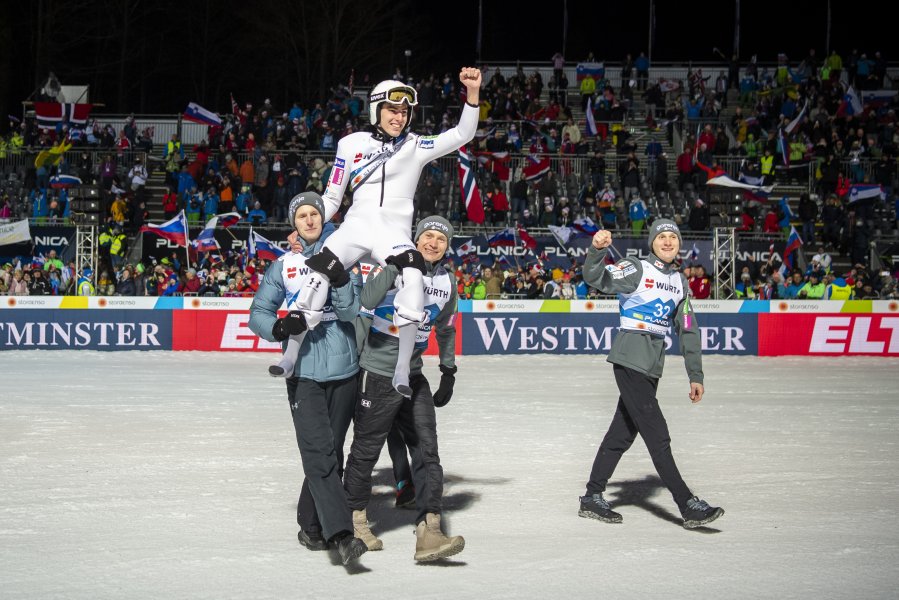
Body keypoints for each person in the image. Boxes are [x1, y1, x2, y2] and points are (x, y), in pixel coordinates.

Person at [275, 67, 482, 397]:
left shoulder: (417, 145)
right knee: (319, 272)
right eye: (392, 110)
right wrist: (305, 225)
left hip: (393, 232)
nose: (399, 118)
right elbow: (331, 197)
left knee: (413, 276)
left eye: (404, 112)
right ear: (376, 110)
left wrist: (472, 94)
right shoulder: (349, 145)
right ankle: (291, 354)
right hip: (355, 226)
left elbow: (462, 134)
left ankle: (402, 367)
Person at [579, 219, 724, 529]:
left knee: (622, 434)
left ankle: (592, 496)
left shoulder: (680, 282)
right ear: (652, 242)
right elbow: (596, 278)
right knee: (658, 436)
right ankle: (687, 504)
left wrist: (695, 374)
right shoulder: (636, 268)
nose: (668, 242)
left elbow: (687, 330)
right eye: (662, 237)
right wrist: (596, 250)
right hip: (630, 360)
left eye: (673, 237)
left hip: (651, 367)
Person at [247, 192, 368, 566]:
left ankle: (309, 525)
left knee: (331, 450)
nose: (310, 220)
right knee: (318, 453)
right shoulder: (285, 265)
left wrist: (340, 275)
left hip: (346, 368)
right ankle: (343, 535)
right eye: (302, 215)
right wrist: (280, 326)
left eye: (314, 213)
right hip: (303, 372)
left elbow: (350, 312)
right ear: (294, 223)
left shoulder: (347, 258)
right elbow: (258, 313)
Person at [344, 215, 465, 562]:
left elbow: (445, 328)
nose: (432, 243)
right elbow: (366, 299)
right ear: (416, 238)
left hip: (413, 375)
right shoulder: (391, 264)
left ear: (447, 246)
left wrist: (448, 370)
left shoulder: (447, 281)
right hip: (378, 372)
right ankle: (355, 522)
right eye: (427, 236)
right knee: (366, 452)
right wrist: (393, 268)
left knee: (428, 452)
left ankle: (430, 531)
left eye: (440, 239)